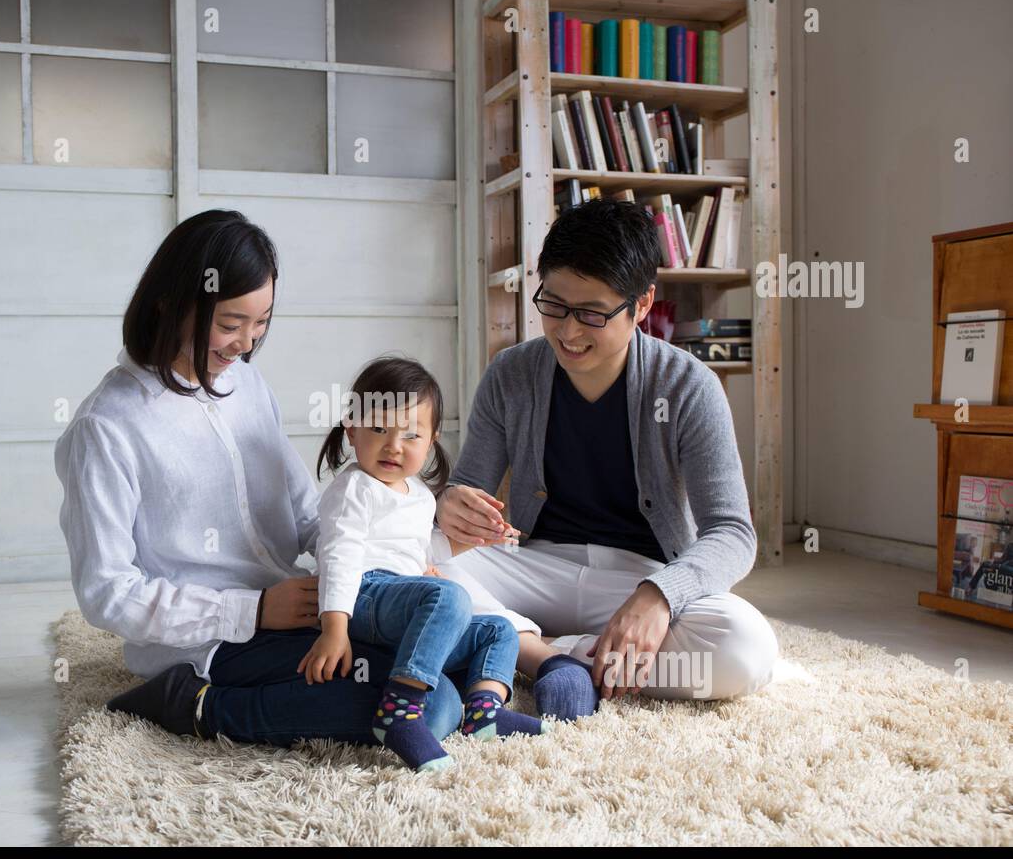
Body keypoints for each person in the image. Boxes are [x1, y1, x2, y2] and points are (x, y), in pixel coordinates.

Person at [54, 209, 465, 746]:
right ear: (172, 303)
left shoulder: (245, 386)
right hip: (212, 639)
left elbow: (305, 515)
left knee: (437, 650)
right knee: (430, 707)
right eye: (229, 324)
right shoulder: (106, 427)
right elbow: (107, 593)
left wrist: (395, 568)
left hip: (296, 607)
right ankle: (198, 705)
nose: (245, 345)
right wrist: (251, 610)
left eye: (261, 323)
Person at [434, 198, 780, 717]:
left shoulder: (689, 387)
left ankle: (521, 645)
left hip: (637, 577)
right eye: (553, 304)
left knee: (744, 649)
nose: (568, 332)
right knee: (402, 553)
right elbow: (464, 500)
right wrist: (451, 505)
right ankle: (547, 654)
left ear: (642, 305)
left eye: (592, 313)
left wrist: (659, 597)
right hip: (533, 567)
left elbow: (732, 533)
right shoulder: (512, 373)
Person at [303, 357, 564, 771]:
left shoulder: (421, 495)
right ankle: (399, 713)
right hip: (364, 595)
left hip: (401, 601)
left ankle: (484, 710)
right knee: (450, 596)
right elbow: (339, 555)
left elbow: (420, 550)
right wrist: (334, 628)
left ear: (431, 441)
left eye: (411, 434)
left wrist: (474, 542)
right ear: (351, 428)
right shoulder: (354, 487)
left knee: (498, 629)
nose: (394, 445)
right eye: (378, 429)